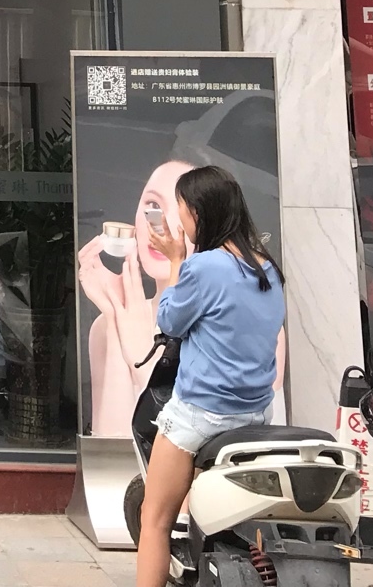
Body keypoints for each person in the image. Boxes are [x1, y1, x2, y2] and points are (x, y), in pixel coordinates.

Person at [134, 165, 286, 587]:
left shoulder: (205, 267)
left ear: (197, 213)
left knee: (155, 519)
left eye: (181, 209)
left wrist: (176, 260)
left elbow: (169, 321)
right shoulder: (268, 269)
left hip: (203, 415)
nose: (179, 218)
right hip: (256, 415)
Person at [77, 158, 192, 435]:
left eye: (183, 211)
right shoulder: (104, 328)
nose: (160, 225)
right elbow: (110, 447)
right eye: (152, 205)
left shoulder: (234, 323)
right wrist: (115, 315)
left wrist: (141, 361)